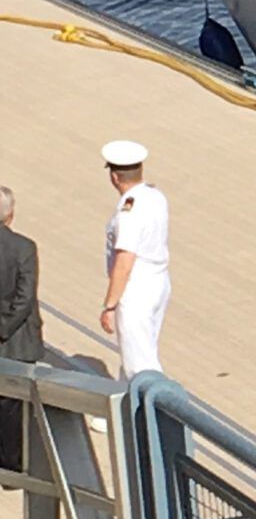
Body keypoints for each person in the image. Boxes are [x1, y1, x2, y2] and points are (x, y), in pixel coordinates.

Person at [98, 142, 171, 380]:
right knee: (143, 349)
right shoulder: (155, 196)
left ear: (115, 177)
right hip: (158, 281)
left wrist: (110, 304)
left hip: (136, 289)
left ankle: (152, 412)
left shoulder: (128, 213)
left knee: (139, 365)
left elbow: (125, 261)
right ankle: (129, 403)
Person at [0, 189, 39, 474]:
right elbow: (24, 297)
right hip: (15, 340)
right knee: (13, 406)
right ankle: (13, 468)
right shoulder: (24, 248)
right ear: (11, 214)